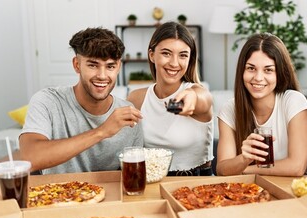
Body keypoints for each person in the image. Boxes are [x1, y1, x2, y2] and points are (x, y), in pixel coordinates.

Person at [20, 27, 143, 174]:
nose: (102, 76)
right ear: (77, 65)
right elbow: (30, 158)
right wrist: (102, 132)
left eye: (110, 66)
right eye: (93, 65)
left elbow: (133, 174)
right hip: (54, 195)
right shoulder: (47, 101)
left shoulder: (128, 114)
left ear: (118, 67)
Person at [216, 33, 307, 177]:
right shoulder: (230, 110)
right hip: (250, 193)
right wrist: (243, 159)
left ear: (279, 73)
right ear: (242, 71)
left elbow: (297, 167)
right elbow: (221, 169)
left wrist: (245, 169)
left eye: (268, 70)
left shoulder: (293, 101)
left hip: (293, 191)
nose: (258, 78)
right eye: (251, 68)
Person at [127, 22, 214, 176]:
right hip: (150, 179)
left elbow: (203, 99)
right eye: (166, 53)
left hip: (196, 183)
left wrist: (192, 98)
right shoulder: (137, 98)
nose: (174, 63)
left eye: (183, 55)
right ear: (152, 55)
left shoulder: (198, 91)